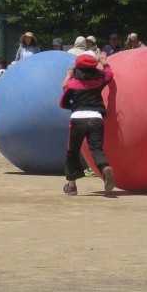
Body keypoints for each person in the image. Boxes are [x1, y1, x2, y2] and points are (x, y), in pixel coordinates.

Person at [59, 51, 115, 195]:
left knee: (73, 151)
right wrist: (104, 61)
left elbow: (63, 102)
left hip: (78, 119)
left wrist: (68, 77)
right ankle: (105, 168)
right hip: (96, 118)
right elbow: (109, 74)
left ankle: (71, 186)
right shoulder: (99, 81)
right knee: (97, 149)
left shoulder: (72, 84)